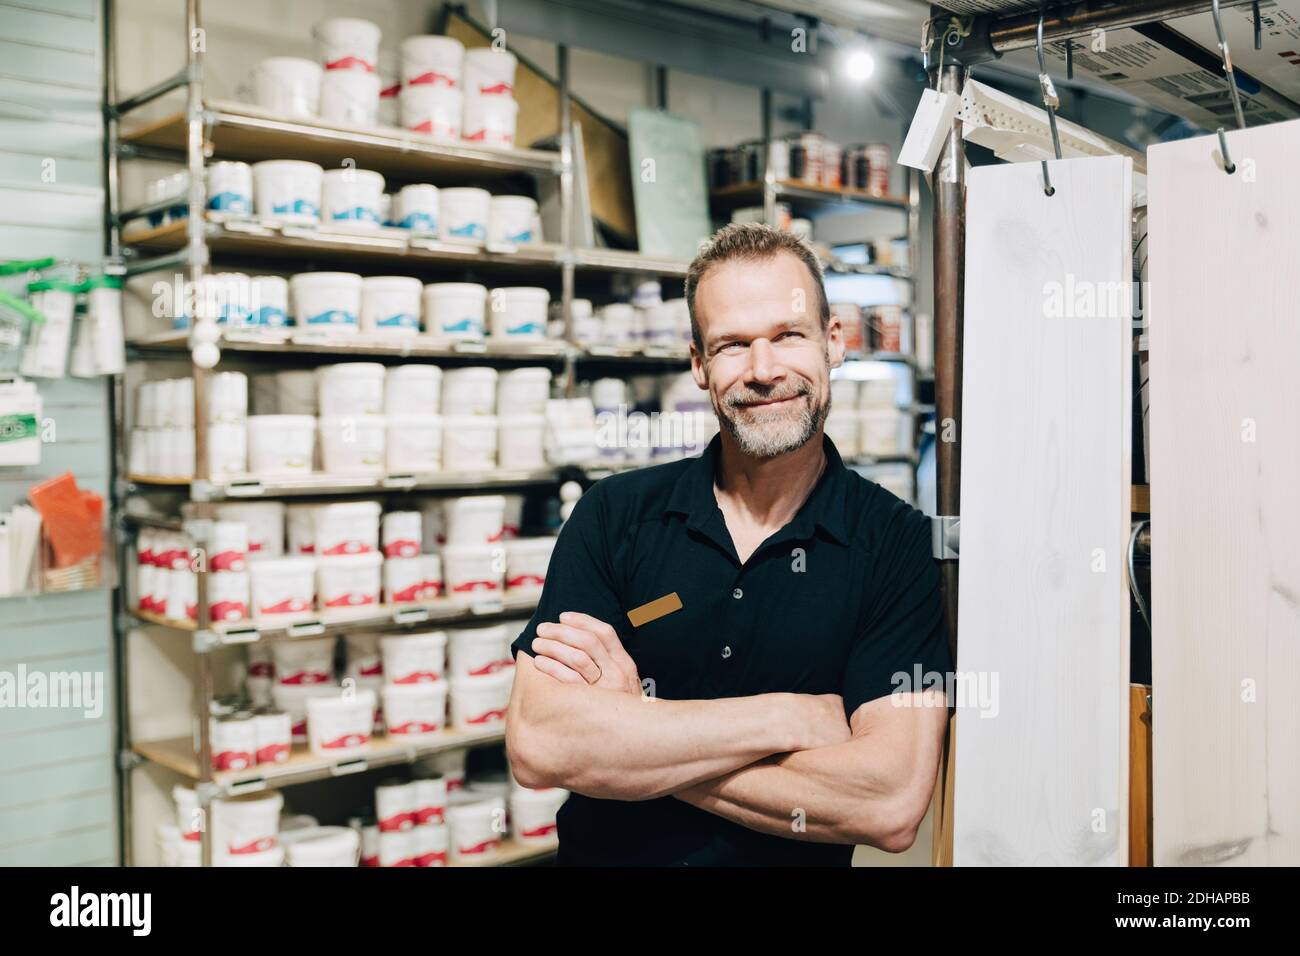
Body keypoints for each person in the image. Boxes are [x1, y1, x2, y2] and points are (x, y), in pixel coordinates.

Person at [505, 222, 953, 866]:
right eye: (733, 345)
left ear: (833, 343)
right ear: (698, 363)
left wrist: (635, 737)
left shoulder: (897, 545)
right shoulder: (614, 515)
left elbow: (889, 801)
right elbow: (542, 746)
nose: (764, 371)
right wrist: (786, 719)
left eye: (788, 335)